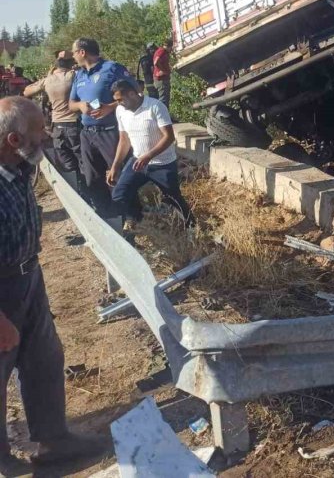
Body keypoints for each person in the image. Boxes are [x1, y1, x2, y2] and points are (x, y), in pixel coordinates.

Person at [0, 97, 104, 472]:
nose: (47, 136)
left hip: (29, 277)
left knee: (44, 359)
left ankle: (53, 440)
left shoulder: (19, 166)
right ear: (14, 140)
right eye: (40, 131)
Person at [107, 79, 194, 227]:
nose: (118, 103)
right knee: (119, 194)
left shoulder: (155, 107)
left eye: (120, 99)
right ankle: (134, 222)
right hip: (137, 162)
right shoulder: (120, 111)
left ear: (132, 94)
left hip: (162, 164)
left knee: (173, 198)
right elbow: (124, 139)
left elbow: (169, 137)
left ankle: (191, 227)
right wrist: (115, 166)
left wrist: (148, 156)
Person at [68, 38, 135, 216]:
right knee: (93, 179)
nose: (73, 56)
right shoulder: (79, 75)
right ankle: (105, 216)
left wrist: (110, 107)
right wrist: (80, 105)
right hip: (87, 135)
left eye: (74, 52)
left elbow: (135, 93)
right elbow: (71, 104)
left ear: (82, 52)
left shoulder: (112, 68)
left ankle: (130, 217)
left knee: (119, 176)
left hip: (110, 133)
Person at [23, 55, 81, 176]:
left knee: (67, 162)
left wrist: (48, 76)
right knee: (82, 159)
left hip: (57, 127)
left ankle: (75, 182)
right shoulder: (73, 75)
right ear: (70, 65)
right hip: (75, 123)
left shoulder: (48, 80)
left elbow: (27, 91)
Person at [152, 38, 172, 107]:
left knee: (165, 99)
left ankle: (165, 112)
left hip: (162, 79)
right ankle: (163, 113)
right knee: (163, 100)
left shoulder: (162, 51)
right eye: (171, 48)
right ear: (169, 46)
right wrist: (163, 71)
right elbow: (156, 62)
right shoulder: (162, 51)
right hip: (161, 80)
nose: (171, 50)